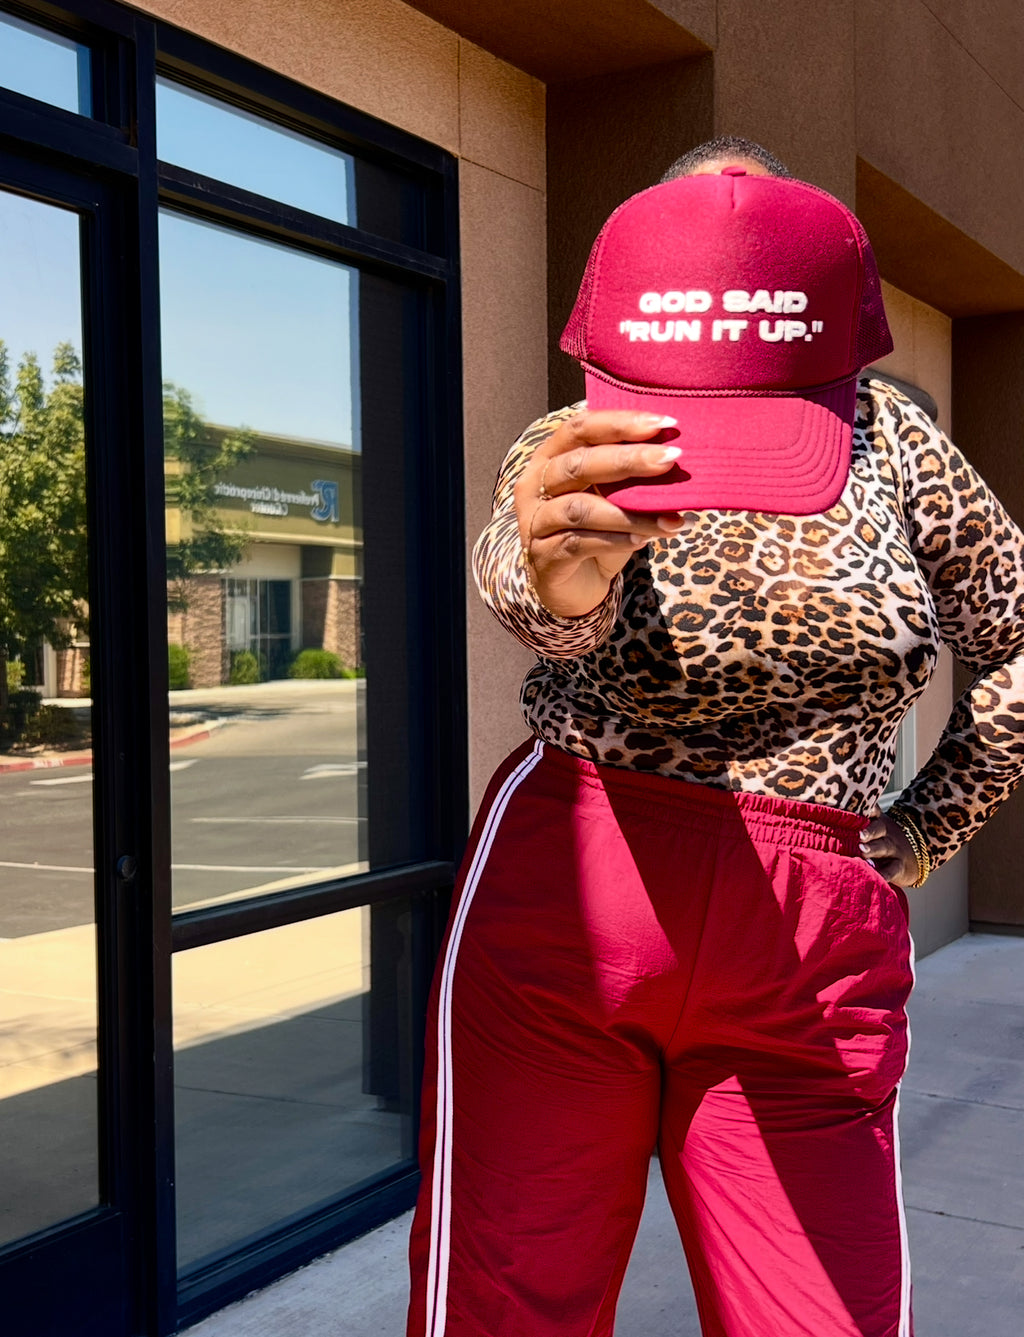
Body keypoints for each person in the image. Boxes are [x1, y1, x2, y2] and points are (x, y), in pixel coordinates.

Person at [406, 138, 1024, 1337]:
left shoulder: (894, 442)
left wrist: (933, 818)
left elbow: (1018, 632)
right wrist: (556, 584)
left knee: (824, 1313)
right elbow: (520, 583)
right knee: (505, 1298)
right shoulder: (578, 432)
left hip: (814, 922)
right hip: (577, 882)